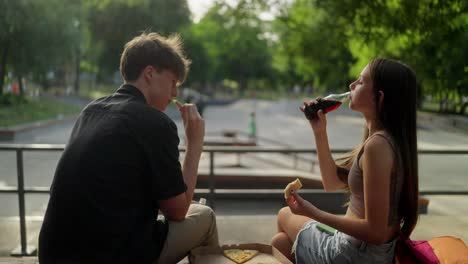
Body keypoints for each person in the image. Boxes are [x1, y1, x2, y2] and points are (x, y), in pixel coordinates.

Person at [38, 32, 218, 264]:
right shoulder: (155, 122)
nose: (174, 93)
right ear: (150, 73)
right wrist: (194, 145)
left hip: (53, 254)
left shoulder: (91, 111)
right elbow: (178, 211)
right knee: (205, 217)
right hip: (113, 256)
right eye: (173, 82)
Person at [272, 58, 419, 263]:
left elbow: (375, 232)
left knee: (283, 215)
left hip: (353, 255)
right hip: (367, 252)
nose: (351, 85)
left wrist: (312, 212)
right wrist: (319, 132)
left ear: (380, 97)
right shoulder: (387, 141)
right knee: (280, 244)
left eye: (360, 81)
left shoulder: (378, 146)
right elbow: (331, 183)